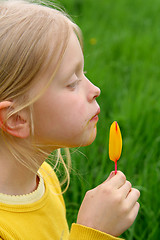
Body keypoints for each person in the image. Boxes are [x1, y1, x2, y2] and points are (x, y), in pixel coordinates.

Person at [0, 0, 140, 239]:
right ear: (17, 118)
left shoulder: (44, 177)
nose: (95, 89)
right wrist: (93, 231)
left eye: (83, 73)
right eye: (72, 82)